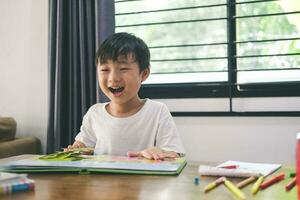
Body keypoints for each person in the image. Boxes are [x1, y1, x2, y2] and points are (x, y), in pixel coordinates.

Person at [65, 32, 185, 160]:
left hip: (143, 179)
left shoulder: (157, 111)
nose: (113, 78)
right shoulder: (94, 113)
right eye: (105, 70)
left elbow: (174, 154)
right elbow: (84, 149)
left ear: (144, 73)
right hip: (102, 179)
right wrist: (77, 149)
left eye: (123, 69)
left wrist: (159, 151)